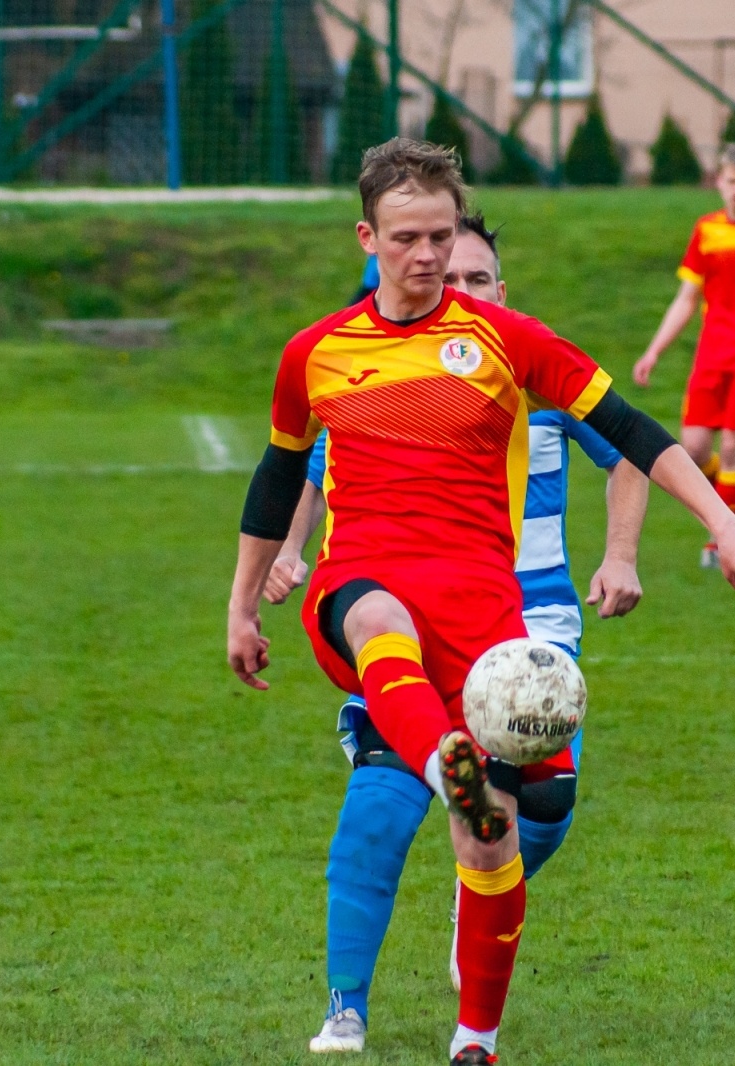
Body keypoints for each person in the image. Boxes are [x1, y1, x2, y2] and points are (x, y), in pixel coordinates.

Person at [227, 138, 735, 1065]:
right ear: (368, 236)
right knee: (379, 624)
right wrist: (242, 606)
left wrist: (728, 528)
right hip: (357, 585)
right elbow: (276, 482)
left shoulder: (506, 341)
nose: (429, 255)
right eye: (407, 238)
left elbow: (632, 431)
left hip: (486, 624)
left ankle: (475, 1038)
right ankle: (446, 768)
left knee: (493, 845)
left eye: (441, 235)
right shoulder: (315, 354)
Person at [263, 213, 651, 1054]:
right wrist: (288, 554)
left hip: (529, 623)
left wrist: (620, 555)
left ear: (500, 293)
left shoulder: (532, 373)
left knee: (543, 803)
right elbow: (314, 470)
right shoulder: (390, 383)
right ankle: (346, 1007)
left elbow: (630, 452)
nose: (459, 290)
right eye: (451, 277)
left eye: (478, 280)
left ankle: (475, 900)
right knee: (384, 795)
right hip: (408, 609)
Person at [633, 143, 735, 566]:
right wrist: (653, 351)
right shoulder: (706, 229)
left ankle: (721, 541)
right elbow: (688, 298)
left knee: (733, 445)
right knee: (695, 447)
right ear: (718, 181)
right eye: (731, 181)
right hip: (712, 351)